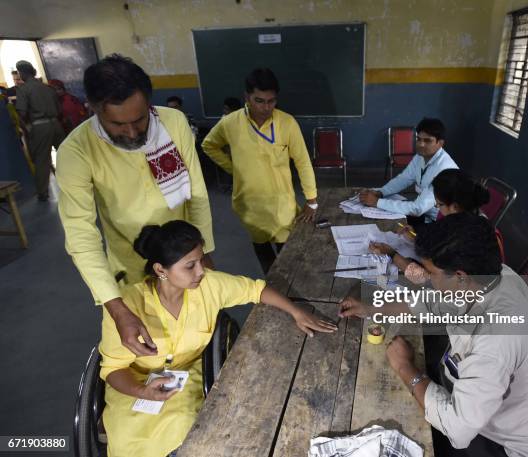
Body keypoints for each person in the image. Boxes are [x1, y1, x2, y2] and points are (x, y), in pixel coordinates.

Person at [100, 220, 337, 456]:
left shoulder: (208, 286)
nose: (201, 271)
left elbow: (256, 289)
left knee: (184, 427)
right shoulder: (126, 307)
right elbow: (113, 368)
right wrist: (142, 392)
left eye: (201, 260)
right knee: (126, 439)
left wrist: (296, 312)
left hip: (187, 378)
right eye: (190, 266)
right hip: (134, 385)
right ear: (161, 270)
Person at [338, 213, 528, 456]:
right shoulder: (492, 275)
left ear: (460, 276)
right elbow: (430, 304)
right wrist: (370, 309)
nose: (427, 279)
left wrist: (405, 367)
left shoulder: (495, 340)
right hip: (476, 403)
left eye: (431, 273)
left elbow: (457, 430)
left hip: (501, 442)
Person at [56, 54, 215, 358]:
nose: (131, 133)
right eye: (117, 124)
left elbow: (197, 195)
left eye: (140, 119)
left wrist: (203, 255)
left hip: (183, 259)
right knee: (150, 352)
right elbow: (82, 236)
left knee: (196, 339)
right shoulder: (76, 152)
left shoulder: (173, 123)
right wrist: (115, 307)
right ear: (93, 108)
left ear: (149, 105)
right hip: (129, 270)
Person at [202, 68, 318, 273]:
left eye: (271, 101)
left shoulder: (287, 123)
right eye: (259, 101)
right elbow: (209, 145)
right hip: (250, 204)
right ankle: (275, 289)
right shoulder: (230, 123)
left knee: (289, 256)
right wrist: (233, 168)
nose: (266, 107)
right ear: (246, 97)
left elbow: (303, 162)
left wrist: (312, 201)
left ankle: (289, 290)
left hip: (282, 204)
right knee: (264, 254)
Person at [369, 169, 503, 284]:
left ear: (454, 206)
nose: (437, 207)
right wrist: (417, 236)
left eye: (439, 204)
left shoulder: (470, 239)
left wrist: (392, 254)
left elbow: (426, 280)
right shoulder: (458, 222)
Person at [359, 118, 458, 226]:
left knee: (392, 229)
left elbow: (418, 208)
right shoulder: (420, 157)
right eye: (419, 139)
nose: (421, 144)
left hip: (441, 223)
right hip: (425, 214)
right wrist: (381, 192)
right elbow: (404, 179)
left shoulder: (443, 169)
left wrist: (376, 202)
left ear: (440, 143)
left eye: (427, 141)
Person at [15, 60, 65, 201]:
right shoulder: (48, 88)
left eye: (19, 73)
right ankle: (75, 183)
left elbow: (22, 113)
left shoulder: (23, 90)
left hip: (40, 126)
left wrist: (25, 127)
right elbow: (59, 110)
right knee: (65, 155)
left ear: (23, 73)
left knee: (42, 160)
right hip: (56, 125)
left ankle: (43, 193)